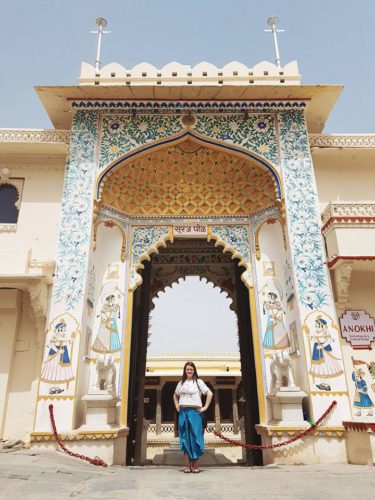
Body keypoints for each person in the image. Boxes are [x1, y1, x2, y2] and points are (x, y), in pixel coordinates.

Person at [173, 361, 213, 473]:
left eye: (191, 369)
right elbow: (175, 395)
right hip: (183, 412)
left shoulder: (199, 382)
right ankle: (187, 465)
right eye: (187, 369)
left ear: (194, 370)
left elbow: (209, 393)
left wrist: (205, 407)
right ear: (184, 371)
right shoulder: (181, 383)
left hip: (195, 413)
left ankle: (195, 465)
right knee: (185, 438)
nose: (189, 371)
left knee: (195, 437)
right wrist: (177, 406)